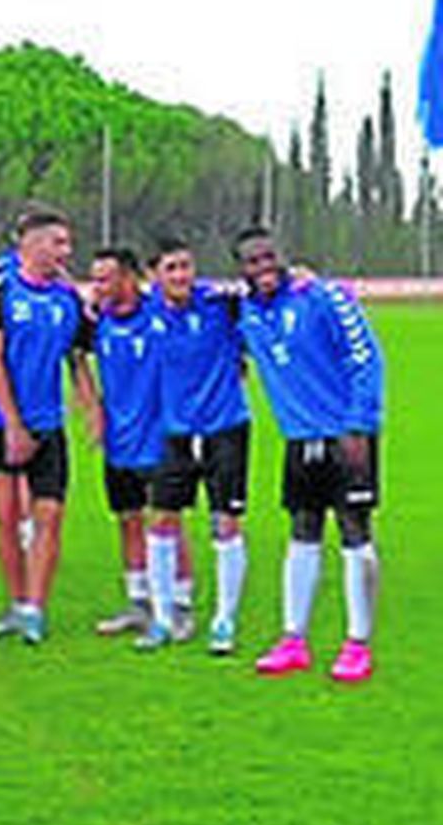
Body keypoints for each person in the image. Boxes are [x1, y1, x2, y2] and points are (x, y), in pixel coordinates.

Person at [233, 228, 384, 684]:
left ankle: (358, 643)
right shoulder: (245, 313)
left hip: (346, 435)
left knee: (355, 529)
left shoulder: (323, 298)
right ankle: (293, 639)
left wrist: (359, 423)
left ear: (283, 256)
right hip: (299, 438)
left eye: (268, 258)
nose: (262, 268)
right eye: (251, 262)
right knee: (303, 530)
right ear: (241, 268)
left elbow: (366, 358)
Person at [0, 208, 97, 645]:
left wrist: (92, 410)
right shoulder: (0, 292)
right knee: (6, 520)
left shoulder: (67, 300)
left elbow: (78, 358)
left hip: (50, 428)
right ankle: (16, 602)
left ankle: (34, 610)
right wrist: (13, 425)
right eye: (58, 242)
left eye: (67, 243)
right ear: (30, 244)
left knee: (49, 518)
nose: (66, 251)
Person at [143, 237, 250, 652]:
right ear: (156, 275)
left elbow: (266, 296)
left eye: (186, 266)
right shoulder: (144, 309)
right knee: (162, 521)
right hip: (176, 434)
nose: (181, 275)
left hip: (226, 428)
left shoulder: (220, 303)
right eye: (171, 268)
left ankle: (224, 620)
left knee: (225, 523)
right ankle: (163, 618)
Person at [82, 248, 180, 651]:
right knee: (127, 519)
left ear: (128, 279)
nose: (97, 287)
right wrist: (92, 411)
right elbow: (75, 361)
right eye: (94, 279)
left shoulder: (161, 311)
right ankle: (140, 603)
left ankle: (177, 606)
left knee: (168, 522)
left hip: (160, 437)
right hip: (118, 439)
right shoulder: (96, 321)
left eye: (105, 279)